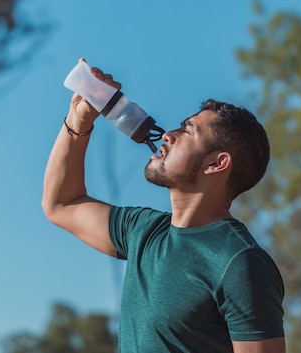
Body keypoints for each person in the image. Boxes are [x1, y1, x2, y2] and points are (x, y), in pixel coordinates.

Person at [42, 60, 286, 353]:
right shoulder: (143, 232)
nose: (169, 135)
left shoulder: (239, 263)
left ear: (217, 163)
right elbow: (61, 203)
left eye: (188, 131)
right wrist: (78, 120)